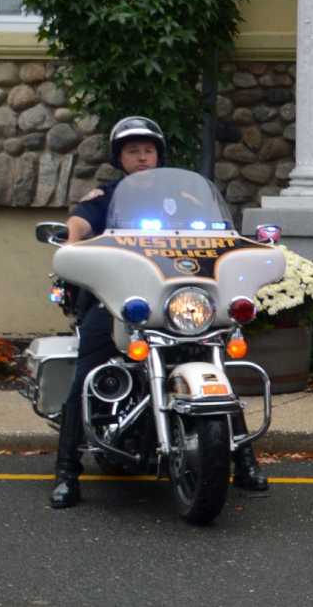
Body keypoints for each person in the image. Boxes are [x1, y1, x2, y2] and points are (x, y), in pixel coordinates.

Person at [52, 117, 267, 509]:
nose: (141, 157)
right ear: (120, 158)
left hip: (181, 306)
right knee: (86, 374)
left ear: (159, 155)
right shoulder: (108, 196)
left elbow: (221, 236)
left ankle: (246, 462)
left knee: (218, 373)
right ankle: (66, 472)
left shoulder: (186, 202)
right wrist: (72, 239)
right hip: (123, 305)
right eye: (132, 151)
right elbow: (80, 220)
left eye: (147, 150)